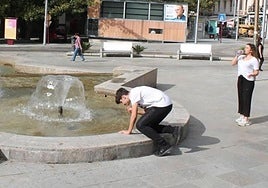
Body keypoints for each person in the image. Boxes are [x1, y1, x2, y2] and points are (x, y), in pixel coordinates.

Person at [115, 86, 181, 157]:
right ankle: (173, 130)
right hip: (165, 104)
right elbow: (146, 112)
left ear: (124, 97)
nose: (123, 104)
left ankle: (164, 145)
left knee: (140, 125)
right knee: (148, 126)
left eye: (122, 102)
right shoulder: (137, 96)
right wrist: (134, 111)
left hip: (162, 104)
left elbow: (134, 116)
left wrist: (129, 131)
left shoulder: (133, 94)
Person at [231, 43, 259, 127]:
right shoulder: (241, 57)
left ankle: (246, 118)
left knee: (247, 98)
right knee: (241, 97)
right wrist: (237, 55)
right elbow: (232, 63)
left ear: (251, 50)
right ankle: (242, 115)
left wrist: (252, 74)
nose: (245, 49)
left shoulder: (254, 60)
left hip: (249, 80)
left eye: (247, 48)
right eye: (245, 47)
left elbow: (256, 71)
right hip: (240, 79)